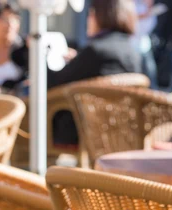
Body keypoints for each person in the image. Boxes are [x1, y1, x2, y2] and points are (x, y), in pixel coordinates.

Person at [48, 0, 142, 145]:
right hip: (120, 127)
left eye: (91, 14)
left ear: (101, 16)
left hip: (81, 129)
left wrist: (38, 59)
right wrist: (78, 59)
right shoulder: (133, 52)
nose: (88, 19)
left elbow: (53, 82)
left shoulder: (96, 51)